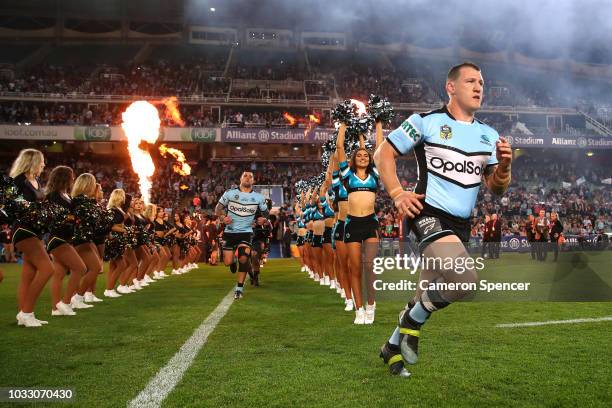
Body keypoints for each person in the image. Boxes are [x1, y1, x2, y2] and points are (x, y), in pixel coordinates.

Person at [373, 62, 512, 377]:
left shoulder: (488, 134)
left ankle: (391, 348)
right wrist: (396, 193)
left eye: (482, 82)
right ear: (451, 87)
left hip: (460, 226)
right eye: (471, 81)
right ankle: (411, 325)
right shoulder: (425, 122)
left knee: (423, 296)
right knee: (465, 279)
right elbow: (384, 153)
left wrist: (504, 166)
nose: (479, 87)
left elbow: (496, 187)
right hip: (428, 214)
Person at [336, 118, 384, 325]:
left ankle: (371, 304)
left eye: (366, 155)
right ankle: (359, 309)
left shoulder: (374, 174)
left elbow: (380, 146)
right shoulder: (347, 175)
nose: (363, 156)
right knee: (354, 267)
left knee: (369, 266)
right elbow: (339, 146)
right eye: (360, 155)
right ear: (354, 160)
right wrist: (344, 124)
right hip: (352, 224)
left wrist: (379, 123)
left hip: (370, 223)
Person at [10, 149, 55, 327]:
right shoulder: (19, 181)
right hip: (23, 230)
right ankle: (26, 312)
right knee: (47, 269)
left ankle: (24, 315)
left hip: (34, 232)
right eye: (42, 161)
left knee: (28, 275)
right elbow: (14, 205)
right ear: (33, 161)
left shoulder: (36, 181)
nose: (44, 164)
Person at [215, 171, 268, 300]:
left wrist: (264, 219)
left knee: (244, 258)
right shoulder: (230, 193)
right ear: (240, 178)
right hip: (230, 232)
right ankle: (232, 261)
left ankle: (239, 289)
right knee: (227, 262)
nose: (248, 178)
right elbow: (217, 208)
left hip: (246, 232)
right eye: (245, 175)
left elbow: (266, 213)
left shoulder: (259, 197)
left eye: (251, 177)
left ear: (253, 181)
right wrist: (222, 217)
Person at [46, 166, 88, 316]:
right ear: (64, 177)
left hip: (65, 238)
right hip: (58, 238)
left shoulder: (66, 195)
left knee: (60, 274)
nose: (73, 179)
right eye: (71, 176)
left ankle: (55, 309)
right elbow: (57, 216)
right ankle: (65, 302)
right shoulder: (53, 196)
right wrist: (73, 218)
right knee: (80, 268)